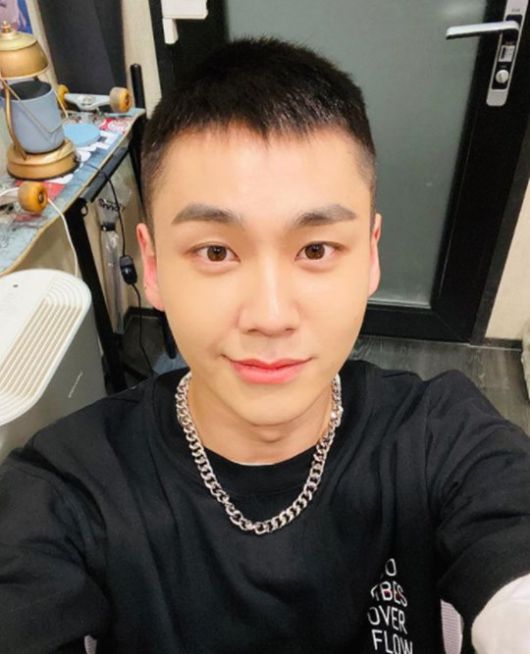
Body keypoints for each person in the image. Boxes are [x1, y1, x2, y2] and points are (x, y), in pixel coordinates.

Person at [1, 37, 529, 654]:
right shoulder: (67, 487)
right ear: (153, 265)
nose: (271, 317)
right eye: (216, 251)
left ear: (370, 256)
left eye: (316, 249)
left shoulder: (443, 438)